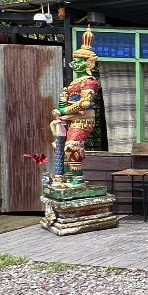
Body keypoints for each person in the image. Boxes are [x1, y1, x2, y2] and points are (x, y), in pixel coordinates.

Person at [50, 27, 101, 186]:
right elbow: (66, 101)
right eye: (75, 60)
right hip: (69, 120)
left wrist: (64, 110)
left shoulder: (90, 81)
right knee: (59, 147)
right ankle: (64, 178)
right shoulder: (74, 83)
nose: (76, 64)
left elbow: (84, 103)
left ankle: (76, 180)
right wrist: (61, 105)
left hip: (83, 119)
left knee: (72, 146)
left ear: (89, 63)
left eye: (80, 61)